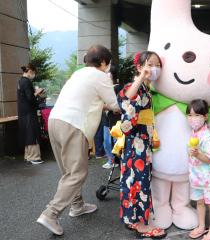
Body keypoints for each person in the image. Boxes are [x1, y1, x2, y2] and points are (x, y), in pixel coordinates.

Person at [36, 45, 120, 236]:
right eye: (109, 62)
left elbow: (92, 101)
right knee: (77, 173)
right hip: (73, 125)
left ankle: (77, 205)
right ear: (104, 62)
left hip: (55, 121)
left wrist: (105, 106)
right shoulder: (101, 76)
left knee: (67, 170)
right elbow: (115, 104)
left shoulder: (79, 74)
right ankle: (51, 213)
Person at [117, 51, 166, 239]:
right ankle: (142, 226)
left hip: (140, 142)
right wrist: (141, 77)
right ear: (139, 67)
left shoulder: (146, 89)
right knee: (139, 182)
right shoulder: (135, 86)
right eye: (150, 64)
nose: (155, 68)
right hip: (137, 143)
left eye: (157, 65)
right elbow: (127, 100)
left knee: (131, 180)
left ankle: (132, 218)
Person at [186, 99, 210, 240]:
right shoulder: (193, 132)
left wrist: (197, 154)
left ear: (205, 116)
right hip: (196, 176)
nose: (192, 119)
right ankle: (201, 226)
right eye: (189, 115)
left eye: (196, 115)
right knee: (199, 202)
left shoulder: (207, 136)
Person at [17, 63, 44, 165]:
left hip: (23, 112)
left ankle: (28, 156)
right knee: (32, 133)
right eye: (34, 73)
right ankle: (34, 157)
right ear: (30, 72)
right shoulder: (27, 82)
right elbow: (30, 98)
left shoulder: (20, 81)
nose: (34, 75)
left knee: (27, 134)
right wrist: (38, 92)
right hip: (29, 112)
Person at [102, 65, 122, 169]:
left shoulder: (117, 87)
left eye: (107, 73)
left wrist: (103, 106)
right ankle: (111, 160)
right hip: (107, 119)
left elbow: (118, 107)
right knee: (107, 142)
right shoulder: (106, 88)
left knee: (115, 142)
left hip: (116, 120)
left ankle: (117, 161)